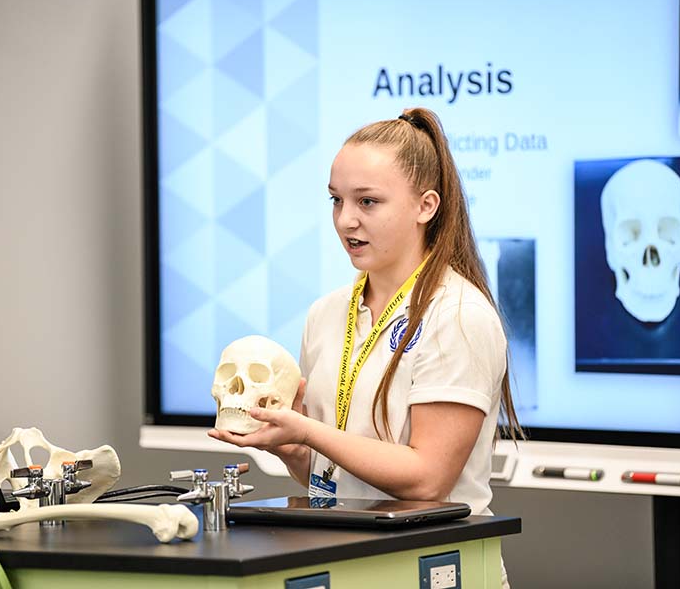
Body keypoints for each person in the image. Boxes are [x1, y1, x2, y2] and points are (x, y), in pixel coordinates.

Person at [209, 106, 522, 586]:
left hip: (436, 568)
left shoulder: (458, 315)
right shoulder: (327, 313)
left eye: (368, 202)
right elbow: (336, 475)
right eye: (336, 200)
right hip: (348, 564)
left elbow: (427, 478)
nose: (345, 220)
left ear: (427, 206)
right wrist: (294, 447)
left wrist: (309, 432)